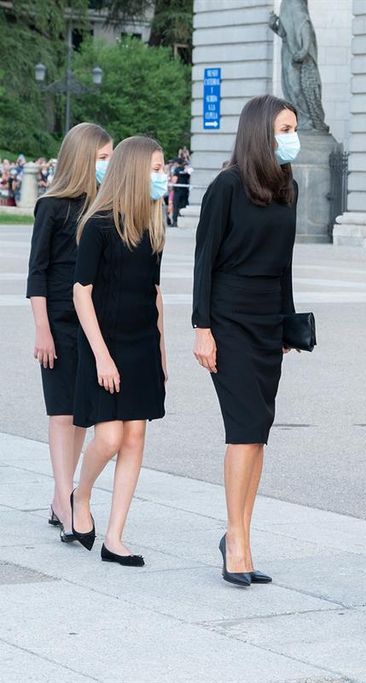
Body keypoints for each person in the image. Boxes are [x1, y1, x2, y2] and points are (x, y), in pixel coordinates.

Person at [192, 94, 299, 588]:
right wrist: (202, 328)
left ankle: (243, 534)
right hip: (229, 320)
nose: (290, 136)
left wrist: (286, 323)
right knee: (243, 430)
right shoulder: (226, 187)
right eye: (283, 128)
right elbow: (204, 262)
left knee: (259, 434)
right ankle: (235, 540)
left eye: (292, 127)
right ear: (260, 132)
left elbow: (284, 265)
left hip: (264, 324)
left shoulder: (287, 188)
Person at [68, 136, 169, 568]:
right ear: (134, 171)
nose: (163, 176)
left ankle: (115, 537)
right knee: (108, 438)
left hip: (143, 343)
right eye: (157, 168)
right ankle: (81, 494)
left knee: (135, 437)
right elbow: (80, 293)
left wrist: (163, 351)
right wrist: (102, 355)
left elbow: (155, 293)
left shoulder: (153, 226)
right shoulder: (98, 225)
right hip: (102, 345)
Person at [26, 122, 113, 536]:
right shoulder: (52, 206)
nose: (108, 165)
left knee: (80, 415)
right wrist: (42, 329)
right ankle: (64, 499)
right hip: (58, 321)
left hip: (91, 323)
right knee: (61, 412)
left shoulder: (103, 208)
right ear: (82, 158)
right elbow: (37, 273)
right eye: (102, 158)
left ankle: (64, 494)